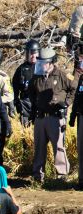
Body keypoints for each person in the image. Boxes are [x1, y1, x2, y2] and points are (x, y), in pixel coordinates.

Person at [28, 47, 75, 182]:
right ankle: (38, 176)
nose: (41, 65)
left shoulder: (62, 75)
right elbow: (31, 92)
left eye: (44, 62)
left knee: (59, 147)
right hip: (40, 117)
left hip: (56, 118)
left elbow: (74, 88)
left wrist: (66, 103)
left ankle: (62, 176)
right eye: (40, 62)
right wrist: (35, 105)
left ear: (51, 62)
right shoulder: (37, 76)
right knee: (39, 147)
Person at [12, 40, 40, 127]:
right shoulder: (21, 69)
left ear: (38, 53)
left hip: (39, 102)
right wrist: (16, 102)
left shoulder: (43, 67)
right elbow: (14, 87)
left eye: (34, 53)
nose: (32, 56)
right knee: (25, 128)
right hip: (25, 102)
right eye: (30, 53)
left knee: (38, 128)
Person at [69, 43, 83, 190]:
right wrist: (72, 116)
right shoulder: (81, 79)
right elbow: (77, 97)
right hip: (81, 116)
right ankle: (81, 180)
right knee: (81, 149)